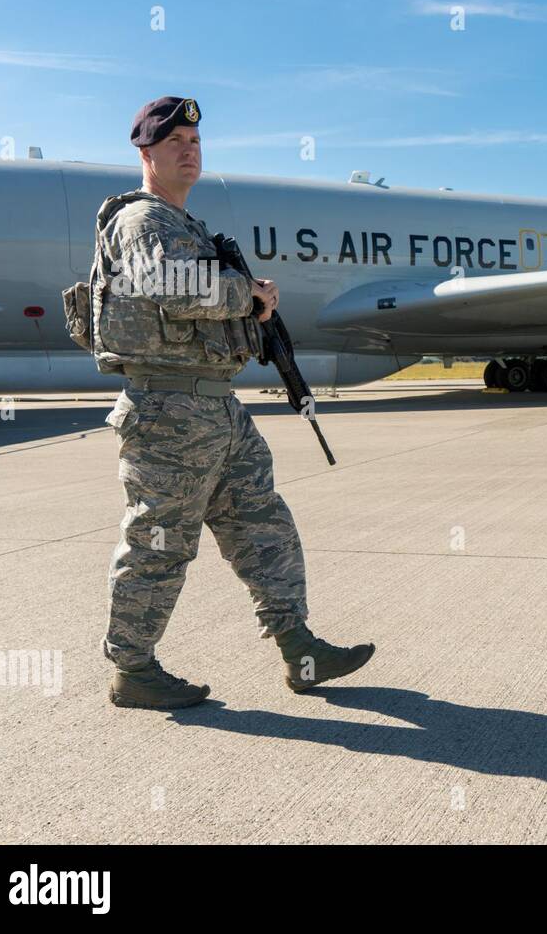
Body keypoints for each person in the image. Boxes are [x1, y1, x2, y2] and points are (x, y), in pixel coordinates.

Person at [91, 95, 373, 710]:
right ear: (145, 153)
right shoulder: (142, 222)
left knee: (262, 525)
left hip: (215, 405)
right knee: (159, 541)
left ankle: (301, 650)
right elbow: (168, 286)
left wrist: (249, 298)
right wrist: (248, 294)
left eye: (194, 143)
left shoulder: (183, 224)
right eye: (174, 144)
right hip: (167, 411)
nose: (188, 151)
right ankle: (133, 670)